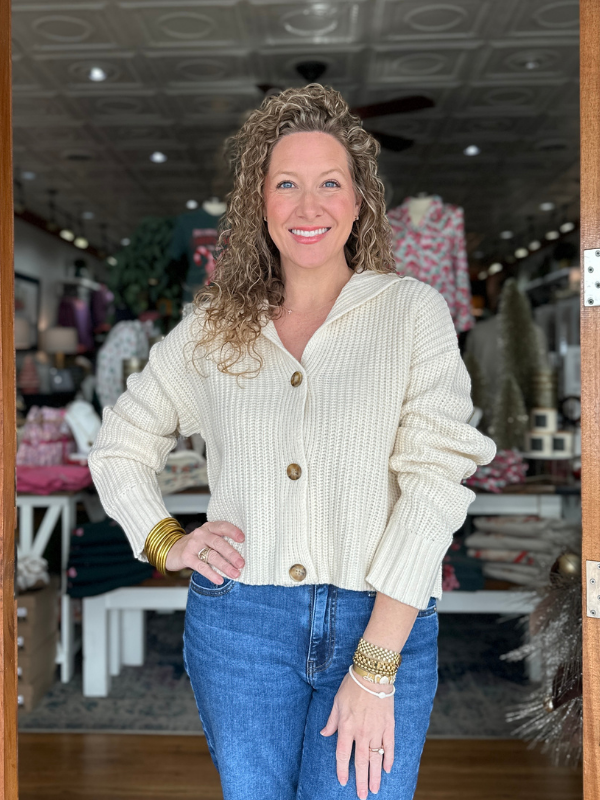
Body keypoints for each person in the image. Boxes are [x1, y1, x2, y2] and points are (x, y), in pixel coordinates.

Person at [89, 84, 496, 800]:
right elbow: (120, 442)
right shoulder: (213, 328)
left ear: (360, 201)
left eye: (329, 183)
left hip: (381, 618)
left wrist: (376, 664)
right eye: (286, 184)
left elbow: (435, 486)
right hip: (239, 626)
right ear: (261, 203)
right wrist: (163, 539)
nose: (309, 206)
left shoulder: (412, 313)